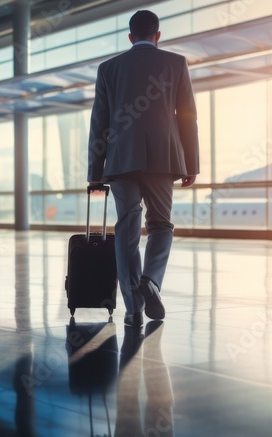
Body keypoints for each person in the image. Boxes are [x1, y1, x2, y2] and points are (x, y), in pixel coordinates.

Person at [87, 10, 200, 327]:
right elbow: (187, 117)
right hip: (163, 161)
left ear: (130, 37)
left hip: (121, 161)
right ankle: (151, 280)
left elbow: (100, 122)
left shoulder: (109, 69)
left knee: (126, 228)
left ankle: (134, 307)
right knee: (161, 225)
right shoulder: (175, 63)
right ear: (158, 35)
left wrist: (95, 171)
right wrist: (191, 163)